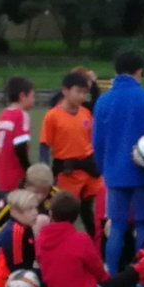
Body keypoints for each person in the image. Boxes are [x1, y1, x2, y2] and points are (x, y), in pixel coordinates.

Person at [92, 51, 144, 272]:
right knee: (143, 224)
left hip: (114, 172)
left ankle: (112, 274)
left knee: (117, 225)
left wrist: (104, 169)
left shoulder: (103, 101)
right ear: (139, 71)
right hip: (143, 172)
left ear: (116, 71)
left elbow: (97, 142)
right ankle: (143, 277)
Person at [34, 192, 139, 287]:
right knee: (130, 275)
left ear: (51, 213)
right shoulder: (80, 239)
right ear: (76, 217)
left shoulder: (41, 239)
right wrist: (109, 282)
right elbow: (97, 269)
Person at [40, 73, 100, 238]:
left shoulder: (86, 114)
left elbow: (92, 141)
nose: (82, 96)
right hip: (68, 172)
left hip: (90, 171)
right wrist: (44, 170)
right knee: (64, 213)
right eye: (78, 91)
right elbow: (44, 144)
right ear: (65, 91)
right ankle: (58, 244)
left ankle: (98, 247)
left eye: (84, 92)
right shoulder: (53, 116)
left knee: (94, 211)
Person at [0, 189, 48, 287]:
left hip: (14, 273)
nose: (35, 212)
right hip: (1, 284)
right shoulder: (16, 232)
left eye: (36, 208)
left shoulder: (24, 226)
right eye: (30, 209)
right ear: (16, 212)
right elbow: (18, 268)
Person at [0, 163, 58, 254]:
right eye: (36, 192)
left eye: (45, 192)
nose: (40, 197)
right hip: (15, 249)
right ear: (26, 185)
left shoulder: (57, 197)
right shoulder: (15, 201)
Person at [0, 77, 35, 204]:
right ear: (23, 96)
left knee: (2, 213)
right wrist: (28, 170)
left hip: (1, 176)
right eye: (32, 96)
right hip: (16, 178)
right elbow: (20, 146)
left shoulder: (3, 115)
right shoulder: (21, 115)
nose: (34, 100)